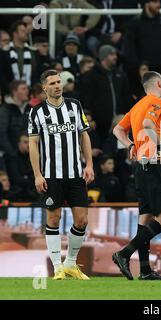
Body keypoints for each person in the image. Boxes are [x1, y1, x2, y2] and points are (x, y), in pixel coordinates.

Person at [28, 69, 95, 280]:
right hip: (51, 175)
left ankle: (70, 264)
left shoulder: (75, 106)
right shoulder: (36, 112)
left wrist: (89, 164)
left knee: (82, 220)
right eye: (53, 83)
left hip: (75, 173)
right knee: (53, 218)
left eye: (59, 82)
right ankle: (57, 267)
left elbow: (84, 136)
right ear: (44, 88)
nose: (58, 86)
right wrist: (37, 174)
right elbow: (33, 143)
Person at [111, 71, 161, 280]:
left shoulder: (137, 105)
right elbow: (148, 125)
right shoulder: (157, 101)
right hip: (154, 164)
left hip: (140, 166)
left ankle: (145, 270)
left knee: (145, 218)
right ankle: (123, 254)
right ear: (159, 83)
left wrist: (131, 145)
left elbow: (118, 130)